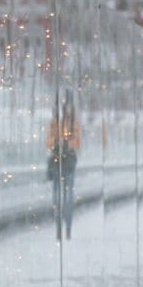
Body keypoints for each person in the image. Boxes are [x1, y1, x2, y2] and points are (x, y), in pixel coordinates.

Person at [46, 90, 81, 239]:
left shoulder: (73, 123)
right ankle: (59, 227)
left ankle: (67, 227)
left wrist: (66, 144)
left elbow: (77, 142)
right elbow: (48, 141)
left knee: (67, 197)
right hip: (56, 163)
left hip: (68, 163)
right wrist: (55, 144)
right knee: (57, 198)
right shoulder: (55, 123)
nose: (65, 108)